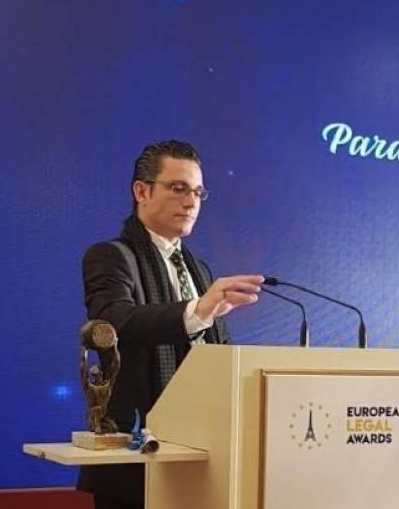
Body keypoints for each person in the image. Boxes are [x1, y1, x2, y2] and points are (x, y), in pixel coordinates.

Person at [76, 140, 262, 509]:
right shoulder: (110, 257)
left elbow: (211, 355)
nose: (191, 202)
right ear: (141, 191)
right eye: (178, 188)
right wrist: (198, 310)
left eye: (197, 192)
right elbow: (116, 323)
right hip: (134, 458)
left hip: (204, 455)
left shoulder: (199, 269)